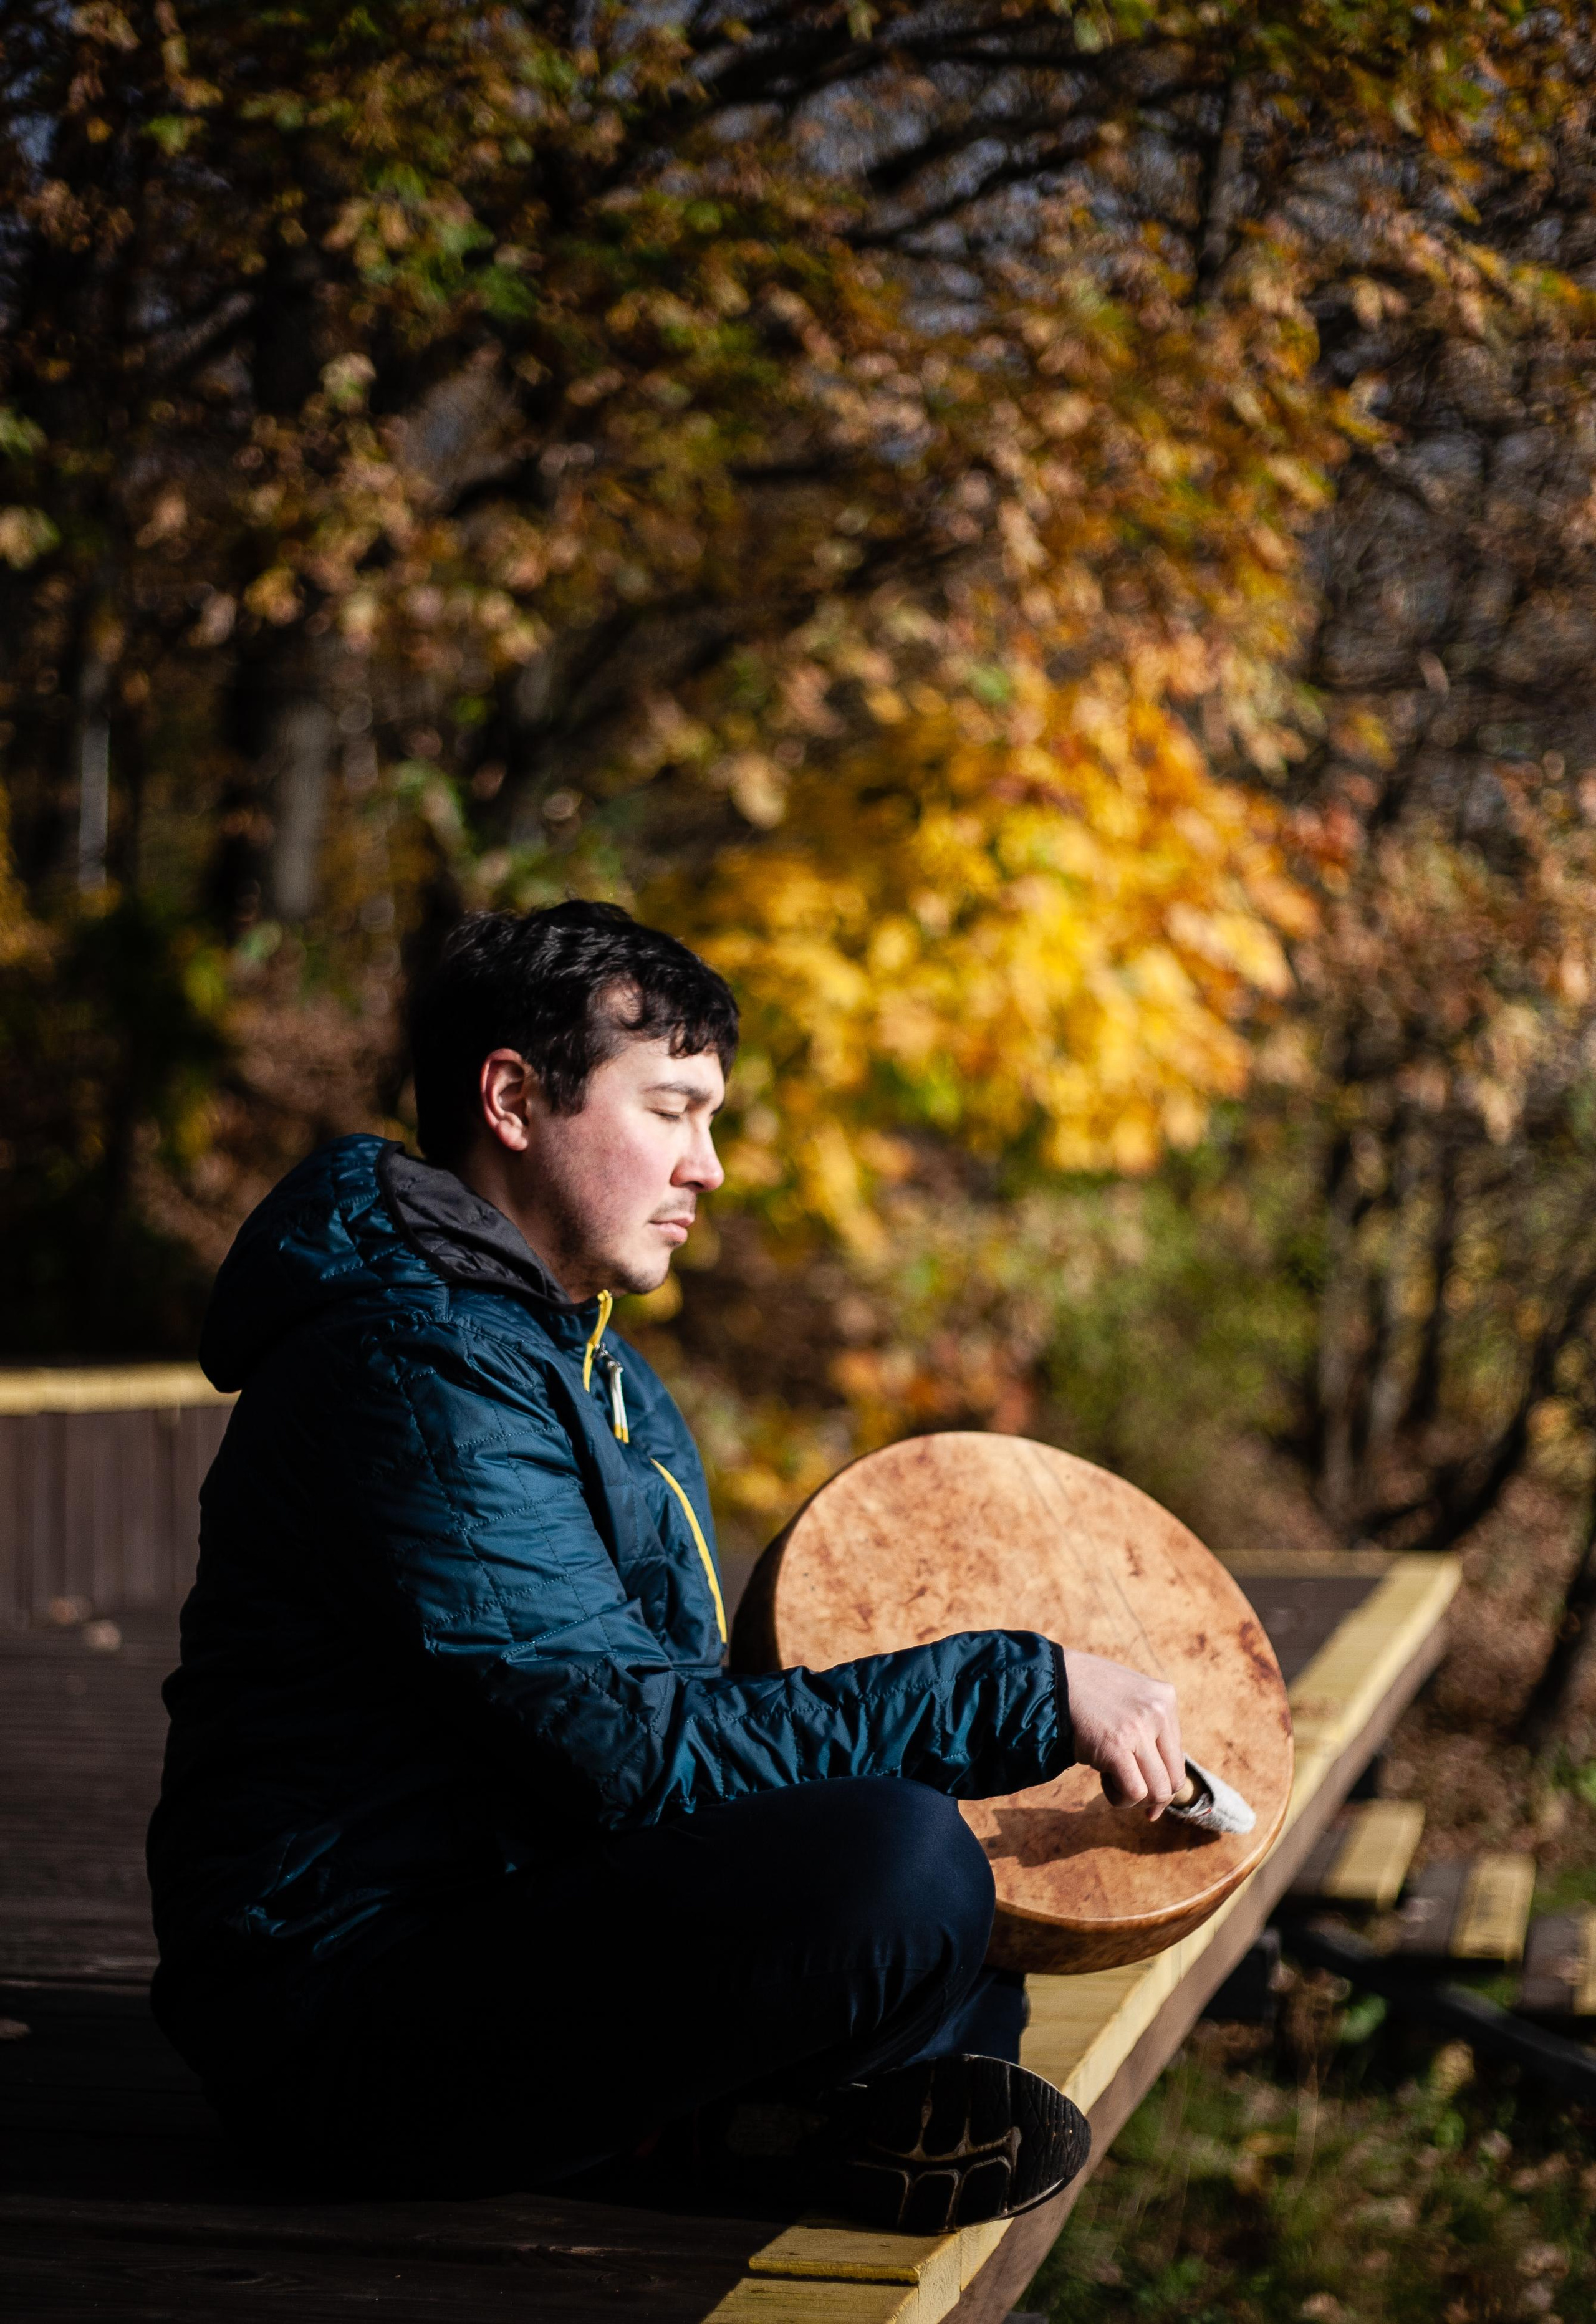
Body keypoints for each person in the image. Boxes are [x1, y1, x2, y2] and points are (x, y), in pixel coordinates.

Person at [148, 900, 1186, 2230]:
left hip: (500, 1924)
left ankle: (730, 2129)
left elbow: (662, 1723)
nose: (709, 1167)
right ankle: (709, 2134)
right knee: (904, 1867)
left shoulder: (594, 1371)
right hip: (343, 2007)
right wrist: (1022, 1689)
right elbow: (636, 1752)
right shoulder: (408, 1372)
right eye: (670, 1111)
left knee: (963, 1915)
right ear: (513, 1098)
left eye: (713, 1120)